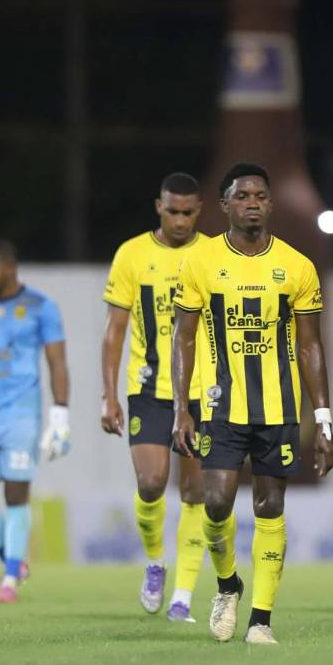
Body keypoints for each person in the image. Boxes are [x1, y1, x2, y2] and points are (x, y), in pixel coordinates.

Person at [170, 162, 333, 645]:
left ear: (270, 204)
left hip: (278, 409)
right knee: (217, 502)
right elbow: (184, 338)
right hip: (221, 407)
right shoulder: (200, 263)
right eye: (242, 196)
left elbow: (311, 346)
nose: (252, 203)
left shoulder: (297, 266)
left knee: (270, 504)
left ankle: (261, 620)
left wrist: (322, 420)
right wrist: (183, 407)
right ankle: (228, 585)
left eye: (260, 196)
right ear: (225, 206)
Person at [101, 173, 208, 621]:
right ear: (158, 207)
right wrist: (109, 396)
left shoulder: (214, 254)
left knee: (196, 492)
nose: (180, 220)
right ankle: (154, 562)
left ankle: (182, 595)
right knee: (150, 483)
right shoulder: (132, 254)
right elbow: (114, 333)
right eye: (173, 211)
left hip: (205, 392)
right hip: (149, 389)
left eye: (188, 212)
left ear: (199, 211)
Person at [0, 239, 70, 603]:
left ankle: (8, 579)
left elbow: (57, 362)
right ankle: (12, 559)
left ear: (10, 269)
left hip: (22, 415)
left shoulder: (40, 307)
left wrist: (60, 413)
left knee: (16, 494)